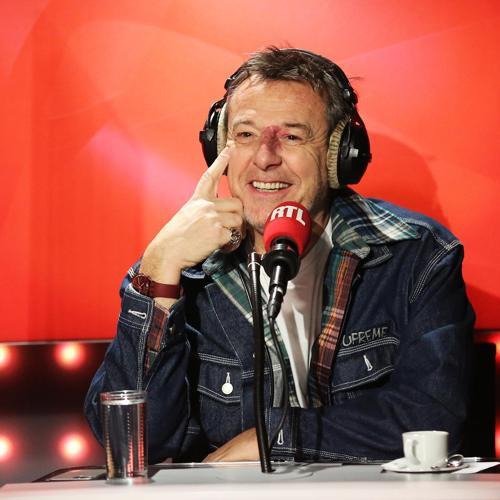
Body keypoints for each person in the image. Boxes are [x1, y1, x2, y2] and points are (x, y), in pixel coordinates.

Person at [85, 47, 475, 464]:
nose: (265, 158)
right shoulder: (182, 271)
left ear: (339, 155)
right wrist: (160, 272)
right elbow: (130, 443)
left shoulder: (416, 254)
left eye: (291, 136)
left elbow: (431, 417)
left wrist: (270, 438)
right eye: (245, 135)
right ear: (219, 146)